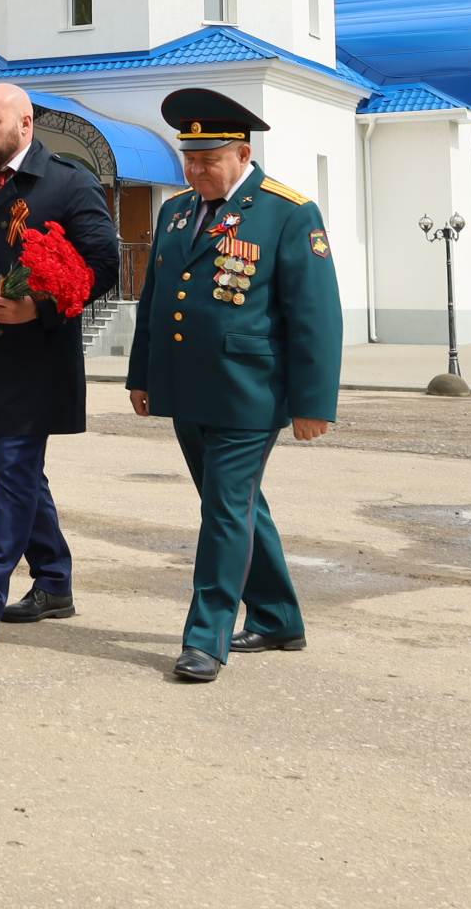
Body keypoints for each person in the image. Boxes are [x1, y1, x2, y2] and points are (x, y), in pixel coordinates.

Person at [126, 88, 340, 683]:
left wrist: (313, 402)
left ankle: (205, 638)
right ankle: (277, 618)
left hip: (250, 391)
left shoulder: (288, 212)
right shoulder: (174, 213)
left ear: (242, 153)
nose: (195, 170)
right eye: (189, 159)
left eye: (208, 159)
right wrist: (141, 374)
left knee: (224, 509)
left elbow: (316, 316)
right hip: (184, 388)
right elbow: (155, 303)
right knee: (236, 507)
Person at [0, 83, 119, 645]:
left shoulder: (68, 182)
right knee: (22, 475)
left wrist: (38, 307)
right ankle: (54, 581)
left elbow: (103, 266)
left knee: (14, 472)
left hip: (39, 357)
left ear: (25, 124)